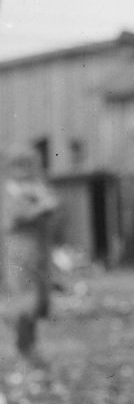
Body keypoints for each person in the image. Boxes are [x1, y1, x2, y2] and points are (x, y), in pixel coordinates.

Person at [1, 146, 59, 354]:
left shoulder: (34, 188)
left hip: (38, 251)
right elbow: (15, 217)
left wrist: (43, 202)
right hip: (20, 253)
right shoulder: (10, 189)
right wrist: (41, 206)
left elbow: (52, 204)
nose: (26, 170)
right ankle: (24, 345)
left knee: (39, 299)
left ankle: (30, 342)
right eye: (21, 165)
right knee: (25, 298)